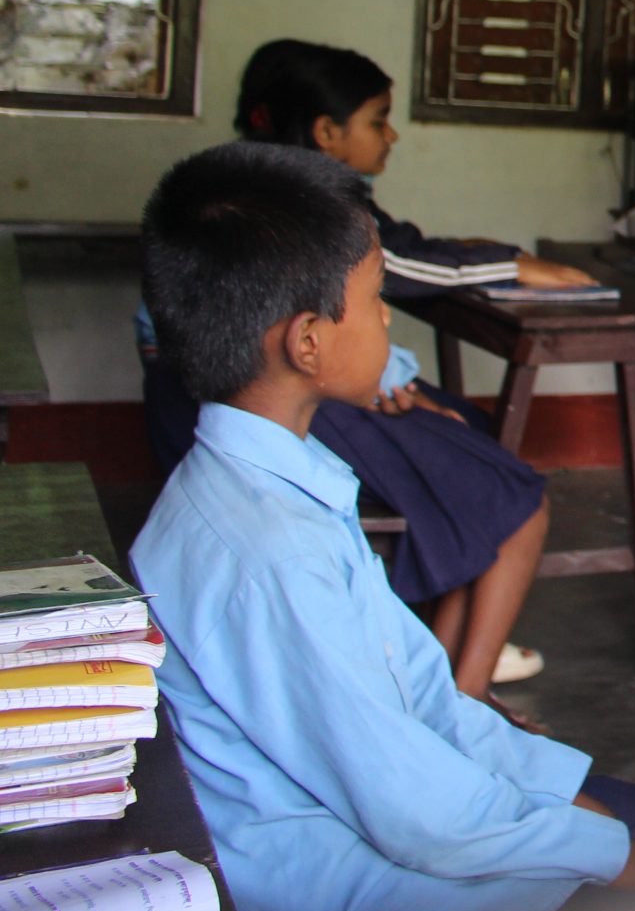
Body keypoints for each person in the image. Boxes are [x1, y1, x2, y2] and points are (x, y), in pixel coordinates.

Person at [131, 142, 635, 911]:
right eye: (375, 298)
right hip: (362, 900)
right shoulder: (268, 554)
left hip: (400, 822)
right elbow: (415, 813)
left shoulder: (264, 486)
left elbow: (426, 697)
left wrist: (566, 802)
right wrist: (622, 858)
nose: (387, 320)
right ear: (308, 342)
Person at [138, 39, 592, 701]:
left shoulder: (234, 189)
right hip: (291, 405)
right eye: (379, 119)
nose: (392, 135)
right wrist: (508, 266)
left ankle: (444, 680)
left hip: (209, 397)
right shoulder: (307, 217)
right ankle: (461, 695)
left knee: (469, 439)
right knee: (512, 496)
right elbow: (398, 265)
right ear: (326, 132)